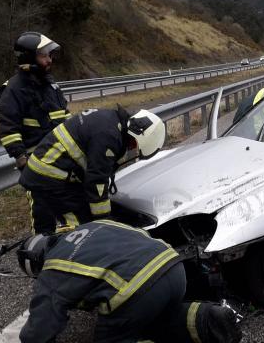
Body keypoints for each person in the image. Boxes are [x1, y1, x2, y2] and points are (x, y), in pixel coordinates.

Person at [17, 220, 242, 342]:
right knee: (157, 319)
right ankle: (209, 320)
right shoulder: (94, 225)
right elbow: (138, 235)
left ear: (36, 263)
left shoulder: (54, 267)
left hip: (138, 289)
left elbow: (41, 325)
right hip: (173, 267)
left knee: (112, 338)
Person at [19, 106, 165, 234]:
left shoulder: (112, 119)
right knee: (80, 230)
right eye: (134, 144)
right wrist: (104, 222)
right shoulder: (109, 136)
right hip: (51, 178)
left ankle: (42, 253)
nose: (131, 148)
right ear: (137, 134)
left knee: (43, 229)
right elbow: (97, 182)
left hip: (45, 172)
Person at [0, 32, 71, 171]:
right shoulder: (14, 89)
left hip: (64, 156)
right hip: (38, 160)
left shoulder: (51, 85)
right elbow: (8, 128)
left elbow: (66, 117)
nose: (49, 60)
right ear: (28, 57)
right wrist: (22, 159)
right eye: (43, 55)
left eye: (49, 55)